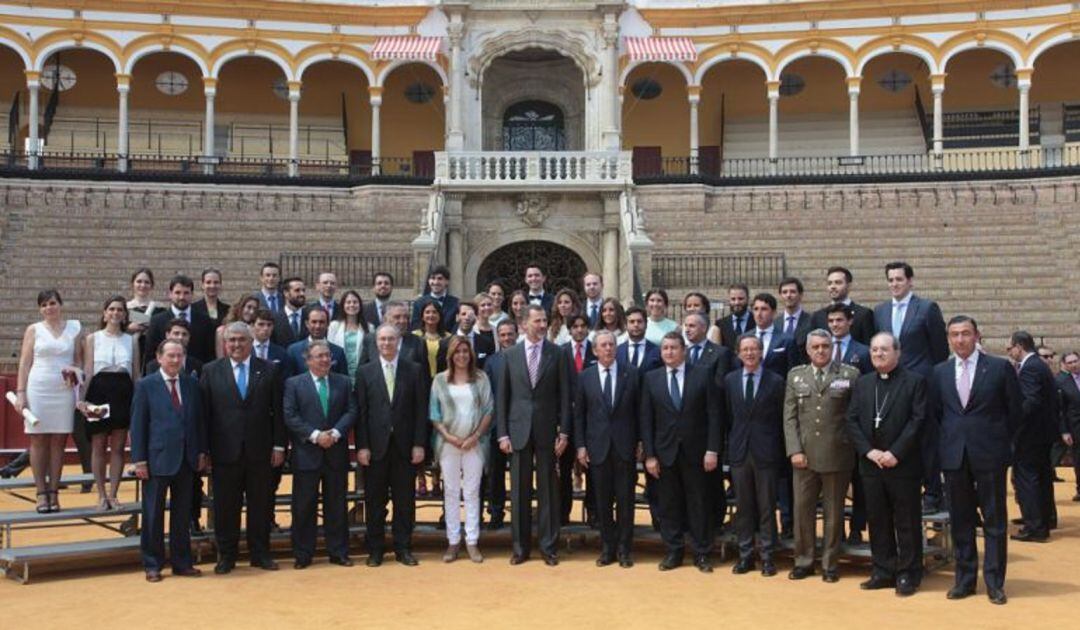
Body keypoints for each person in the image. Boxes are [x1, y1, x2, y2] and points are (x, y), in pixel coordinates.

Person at [930, 315, 1020, 605]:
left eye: (965, 333)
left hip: (990, 456)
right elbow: (936, 415)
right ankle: (965, 580)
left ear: (977, 335)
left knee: (994, 521)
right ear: (948, 339)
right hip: (954, 456)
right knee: (961, 521)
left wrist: (1003, 444)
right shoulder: (939, 372)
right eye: (954, 334)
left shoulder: (998, 368)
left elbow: (1015, 411)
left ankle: (994, 582)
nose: (960, 339)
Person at [200, 322, 286, 574]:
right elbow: (204, 415)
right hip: (224, 452)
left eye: (241, 340)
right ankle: (227, 556)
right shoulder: (211, 370)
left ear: (251, 342)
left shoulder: (269, 370)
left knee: (261, 505)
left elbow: (278, 413)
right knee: (226, 507)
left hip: (261, 452)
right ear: (225, 344)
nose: (236, 345)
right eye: (232, 340)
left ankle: (260, 554)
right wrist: (205, 450)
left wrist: (279, 445)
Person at [846, 332, 927, 596]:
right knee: (877, 519)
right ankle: (882, 569)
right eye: (874, 350)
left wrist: (895, 452)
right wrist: (868, 452)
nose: (878, 354)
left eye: (884, 349)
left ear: (897, 352)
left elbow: (918, 421)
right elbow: (852, 420)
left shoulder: (914, 382)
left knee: (906, 520)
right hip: (871, 465)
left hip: (902, 465)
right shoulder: (864, 383)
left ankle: (908, 572)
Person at [783, 330, 860, 583]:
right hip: (803, 456)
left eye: (825, 346)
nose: (820, 350)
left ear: (832, 348)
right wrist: (794, 450)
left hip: (837, 454)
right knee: (802, 511)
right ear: (808, 350)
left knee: (833, 512)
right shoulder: (796, 376)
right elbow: (790, 417)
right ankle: (803, 561)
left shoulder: (849, 375)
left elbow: (854, 416)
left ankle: (829, 563)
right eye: (815, 346)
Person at [497, 304, 571, 565]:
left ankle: (549, 547)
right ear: (525, 324)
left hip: (548, 432)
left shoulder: (558, 354)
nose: (542, 325)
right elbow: (503, 398)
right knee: (519, 492)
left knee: (549, 491)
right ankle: (520, 548)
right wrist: (502, 433)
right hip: (517, 432)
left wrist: (564, 433)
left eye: (544, 321)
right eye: (537, 321)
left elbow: (565, 396)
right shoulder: (510, 355)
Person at [641, 332, 722, 572]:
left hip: (697, 453)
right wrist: (650, 455)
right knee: (669, 504)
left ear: (683, 350)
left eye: (673, 348)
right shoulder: (651, 379)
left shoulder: (703, 374)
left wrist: (712, 450)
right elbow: (646, 420)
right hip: (664, 454)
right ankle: (674, 551)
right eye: (665, 348)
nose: (669, 352)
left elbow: (714, 415)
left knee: (698, 503)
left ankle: (702, 553)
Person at [130, 339, 208, 582]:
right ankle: (152, 564)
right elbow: (138, 424)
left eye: (179, 355)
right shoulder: (145, 385)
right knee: (153, 515)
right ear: (159, 357)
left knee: (182, 514)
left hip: (187, 459)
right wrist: (139, 460)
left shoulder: (192, 384)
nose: (175, 360)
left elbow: (199, 421)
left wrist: (202, 451)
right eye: (171, 355)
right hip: (157, 459)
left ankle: (181, 562)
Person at [874, 261, 948, 513]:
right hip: (892, 385)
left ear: (910, 281)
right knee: (897, 437)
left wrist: (928, 379)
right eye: (891, 280)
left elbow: (940, 350)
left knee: (926, 439)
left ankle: (933, 493)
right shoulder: (880, 311)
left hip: (922, 383)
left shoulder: (927, 308)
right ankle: (904, 492)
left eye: (899, 279)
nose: (894, 284)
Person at [355, 324, 428, 566]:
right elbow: (362, 413)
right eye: (382, 339)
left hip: (405, 447)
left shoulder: (414, 370)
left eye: (391, 339)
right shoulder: (365, 372)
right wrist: (362, 446)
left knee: (404, 501)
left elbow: (420, 410)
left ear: (399, 342)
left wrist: (419, 444)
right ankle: (376, 549)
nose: (386, 343)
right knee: (375, 501)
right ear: (376, 343)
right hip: (375, 448)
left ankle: (403, 548)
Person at [284, 340, 357, 569]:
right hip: (307, 454)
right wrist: (316, 435)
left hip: (335, 452)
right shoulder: (294, 384)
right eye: (320, 356)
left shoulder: (343, 382)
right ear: (308, 360)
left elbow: (352, 410)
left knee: (336, 505)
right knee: (304, 506)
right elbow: (290, 415)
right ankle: (303, 554)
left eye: (328, 355)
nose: (325, 359)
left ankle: (338, 551)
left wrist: (335, 433)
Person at [574, 330, 639, 567]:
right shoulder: (585, 377)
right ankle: (607, 548)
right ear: (595, 350)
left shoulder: (631, 374)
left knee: (625, 501)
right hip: (597, 448)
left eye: (612, 344)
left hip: (624, 447)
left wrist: (640, 442)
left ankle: (625, 549)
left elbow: (640, 412)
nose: (609, 348)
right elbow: (579, 415)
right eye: (603, 345)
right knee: (602, 502)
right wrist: (580, 446)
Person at [16, 290, 84, 513]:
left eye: (52, 303)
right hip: (39, 387)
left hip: (64, 390)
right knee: (38, 440)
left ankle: (54, 491)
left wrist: (74, 373)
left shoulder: (75, 327)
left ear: (60, 304)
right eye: (44, 305)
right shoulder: (33, 330)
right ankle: (40, 493)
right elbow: (25, 363)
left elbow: (78, 360)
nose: (49, 308)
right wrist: (21, 392)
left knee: (59, 441)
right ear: (40, 309)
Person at [726, 334, 786, 577]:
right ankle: (745, 555)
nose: (749, 353)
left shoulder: (776, 381)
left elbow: (781, 419)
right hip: (740, 452)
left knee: (766, 507)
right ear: (738, 353)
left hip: (766, 453)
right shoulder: (729, 381)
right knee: (744, 507)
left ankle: (768, 556)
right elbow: (729, 417)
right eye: (745, 349)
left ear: (761, 352)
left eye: (754, 349)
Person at [430, 336, 494, 563]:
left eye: (465, 351)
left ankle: (473, 541)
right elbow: (434, 414)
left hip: (475, 443)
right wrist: (449, 437)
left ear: (471, 354)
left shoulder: (481, 378)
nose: (462, 355)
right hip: (448, 443)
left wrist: (474, 436)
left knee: (472, 491)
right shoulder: (439, 380)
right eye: (457, 352)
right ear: (450, 355)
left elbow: (489, 410)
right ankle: (453, 542)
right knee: (451, 491)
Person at [79, 296, 139, 511]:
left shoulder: (131, 340)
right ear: (104, 313)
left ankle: (113, 493)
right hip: (99, 390)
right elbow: (87, 370)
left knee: (118, 446)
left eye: (120, 310)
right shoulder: (92, 338)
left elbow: (136, 373)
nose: (115, 313)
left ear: (124, 314)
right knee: (98, 445)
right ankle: (101, 494)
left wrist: (138, 400)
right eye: (111, 309)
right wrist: (81, 399)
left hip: (123, 390)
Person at [1006, 330, 1058, 542]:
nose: (1010, 352)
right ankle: (1045, 518)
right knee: (1042, 477)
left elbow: (1030, 402)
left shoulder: (1031, 368)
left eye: (1011, 348)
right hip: (1042, 433)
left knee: (1027, 478)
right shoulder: (1038, 365)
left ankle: (1035, 526)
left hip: (1030, 434)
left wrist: (1012, 421)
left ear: (1020, 346)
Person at [482, 319, 518, 529]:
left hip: (519, 425)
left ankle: (519, 513)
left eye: (509, 334)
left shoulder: (524, 358)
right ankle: (496, 512)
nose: (506, 338)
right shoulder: (490, 362)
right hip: (496, 426)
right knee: (495, 474)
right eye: (502, 335)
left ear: (516, 334)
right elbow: (487, 396)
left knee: (519, 473)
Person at [561, 314, 595, 521]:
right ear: (570, 329)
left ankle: (592, 512)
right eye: (575, 326)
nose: (580, 330)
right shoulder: (560, 352)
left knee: (592, 469)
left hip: (591, 420)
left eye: (583, 326)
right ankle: (563, 513)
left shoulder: (596, 350)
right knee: (564, 471)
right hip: (567, 420)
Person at [145, 274, 215, 367]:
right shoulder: (157, 321)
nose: (182, 297)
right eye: (177, 293)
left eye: (186, 293)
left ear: (192, 294)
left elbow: (209, 355)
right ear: (170, 294)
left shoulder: (204, 321)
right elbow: (150, 354)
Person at [810, 266, 876, 345]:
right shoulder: (818, 316)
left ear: (849, 286)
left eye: (838, 282)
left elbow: (869, 347)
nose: (833, 286)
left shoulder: (864, 314)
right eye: (829, 283)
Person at [359, 301, 427, 369]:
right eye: (397, 317)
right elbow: (362, 371)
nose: (402, 321)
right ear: (385, 319)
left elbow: (424, 374)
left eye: (405, 317)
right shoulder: (370, 340)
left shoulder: (418, 342)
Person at [285, 306, 348, 378]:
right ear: (307, 324)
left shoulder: (338, 352)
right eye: (314, 322)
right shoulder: (294, 351)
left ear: (328, 324)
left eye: (322, 322)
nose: (317, 326)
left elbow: (344, 382)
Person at [437, 301, 495, 372]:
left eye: (470, 315)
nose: (467, 318)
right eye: (463, 314)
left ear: (476, 317)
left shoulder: (486, 343)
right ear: (457, 317)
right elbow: (440, 370)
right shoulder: (445, 344)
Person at [328, 289, 369, 380]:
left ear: (360, 305)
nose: (352, 305)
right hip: (339, 372)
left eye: (355, 302)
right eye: (348, 302)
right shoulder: (334, 326)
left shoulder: (369, 327)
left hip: (361, 373)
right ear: (343, 305)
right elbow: (331, 351)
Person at [750, 292, 792, 377]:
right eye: (756, 309)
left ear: (774, 312)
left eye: (764, 309)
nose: (759, 314)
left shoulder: (787, 340)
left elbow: (792, 372)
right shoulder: (744, 338)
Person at [1058, 351, 1080, 502]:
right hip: (1075, 426)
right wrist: (1064, 431)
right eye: (1070, 362)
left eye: (1075, 361)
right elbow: (1061, 410)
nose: (1073, 364)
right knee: (1079, 459)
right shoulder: (1061, 382)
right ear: (1065, 365)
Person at [826, 303, 872, 374]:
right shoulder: (821, 349)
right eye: (831, 321)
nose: (834, 324)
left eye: (839, 320)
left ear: (850, 321)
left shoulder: (864, 352)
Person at [411, 265, 459, 331]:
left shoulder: (456, 303)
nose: (435, 282)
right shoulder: (419, 303)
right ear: (428, 281)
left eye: (440, 278)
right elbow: (415, 327)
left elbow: (456, 327)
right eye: (433, 278)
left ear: (447, 281)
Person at [413, 297, 450, 379]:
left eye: (434, 312)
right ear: (422, 316)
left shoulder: (449, 337)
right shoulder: (414, 336)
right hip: (420, 379)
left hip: (443, 379)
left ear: (440, 315)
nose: (431, 315)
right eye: (427, 312)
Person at [214, 294, 260, 358]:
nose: (252, 312)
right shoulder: (222, 331)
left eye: (255, 309)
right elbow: (220, 358)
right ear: (241, 307)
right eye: (249, 307)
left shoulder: (254, 331)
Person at [618, 306, 662, 372]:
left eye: (639, 321)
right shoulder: (617, 351)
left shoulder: (657, 351)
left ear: (646, 324)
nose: (636, 325)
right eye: (632, 322)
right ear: (626, 325)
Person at [778, 277, 811, 362]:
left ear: (800, 295)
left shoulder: (811, 321)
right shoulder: (774, 323)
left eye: (792, 292)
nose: (788, 295)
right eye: (784, 292)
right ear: (780, 296)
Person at [712, 283, 751, 350]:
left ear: (748, 299)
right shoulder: (720, 324)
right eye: (733, 299)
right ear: (729, 300)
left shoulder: (757, 322)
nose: (737, 303)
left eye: (740, 299)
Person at [276, 276, 310, 347]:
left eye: (303, 290)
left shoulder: (310, 317)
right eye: (297, 290)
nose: (302, 294)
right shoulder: (275, 318)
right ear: (286, 293)